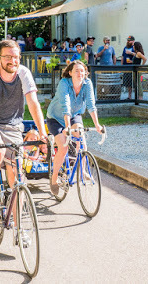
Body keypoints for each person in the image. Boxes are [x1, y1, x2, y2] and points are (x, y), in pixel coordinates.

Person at [0, 40, 47, 208]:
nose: (12, 61)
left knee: (17, 171)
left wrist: (43, 135)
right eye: (7, 57)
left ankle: (19, 229)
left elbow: (34, 103)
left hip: (13, 124)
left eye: (15, 57)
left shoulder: (24, 73)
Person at [46, 60, 103, 195]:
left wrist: (97, 125)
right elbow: (66, 105)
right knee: (64, 147)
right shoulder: (64, 83)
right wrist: (67, 127)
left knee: (81, 140)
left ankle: (82, 172)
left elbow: (91, 104)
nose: (80, 73)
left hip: (74, 115)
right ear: (70, 72)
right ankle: (54, 179)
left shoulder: (87, 84)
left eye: (82, 70)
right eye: (76, 71)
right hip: (56, 117)